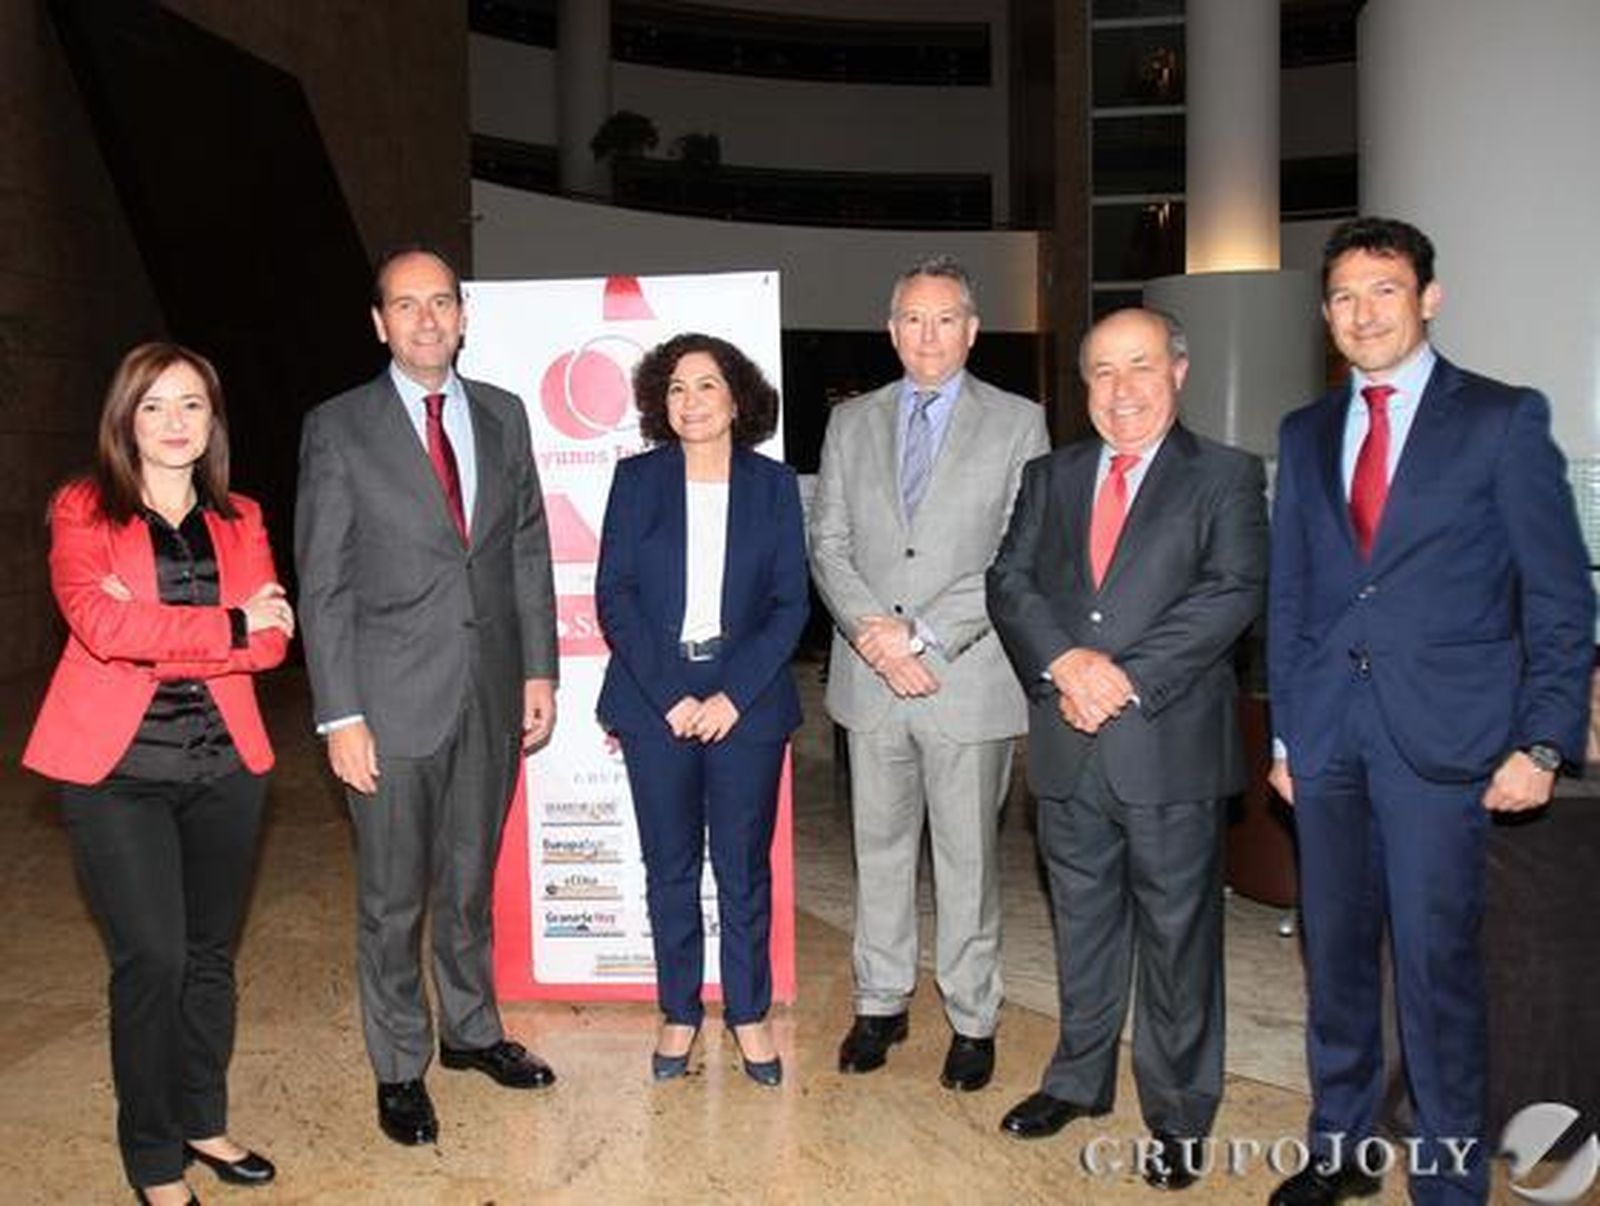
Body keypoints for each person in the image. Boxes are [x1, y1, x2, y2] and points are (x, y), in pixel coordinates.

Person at [1265, 218, 1594, 1206]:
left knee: (1437, 969)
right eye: (1344, 297)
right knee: (1336, 959)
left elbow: (1556, 596)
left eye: (1383, 290)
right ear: (1325, 315)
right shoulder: (1304, 430)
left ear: (1427, 299)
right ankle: (1342, 1147)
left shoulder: (1499, 419)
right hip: (1326, 741)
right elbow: (1293, 595)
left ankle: (1447, 1180)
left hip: (1445, 745)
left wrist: (1541, 738)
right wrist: (1287, 733)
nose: (1362, 313)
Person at [986, 307, 1267, 1189]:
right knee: (1083, 925)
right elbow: (1010, 579)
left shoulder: (1225, 474)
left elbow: (1231, 592)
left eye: (1139, 366)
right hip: (1069, 746)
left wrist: (1122, 675)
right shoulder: (1051, 474)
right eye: (1101, 372)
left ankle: (1180, 1113)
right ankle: (1078, 1077)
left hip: (1168, 746)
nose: (1120, 390)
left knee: (1180, 938)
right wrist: (1068, 662)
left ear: (1178, 371)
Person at [295, 246, 560, 1147]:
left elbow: (525, 548)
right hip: (390, 702)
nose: (425, 319)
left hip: (489, 691)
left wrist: (538, 670)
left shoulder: (503, 415)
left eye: (440, 302)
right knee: (391, 900)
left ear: (463, 314)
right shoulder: (338, 427)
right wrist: (340, 713)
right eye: (405, 306)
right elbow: (322, 582)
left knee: (467, 882)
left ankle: (472, 1032)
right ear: (379, 323)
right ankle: (400, 1066)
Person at [24, 342, 293, 1205]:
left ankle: (200, 1118)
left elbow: (278, 641)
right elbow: (100, 625)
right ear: (125, 419)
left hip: (226, 765)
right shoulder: (82, 507)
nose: (176, 422)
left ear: (213, 421)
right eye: (155, 406)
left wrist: (165, 624)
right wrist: (228, 625)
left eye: (192, 405)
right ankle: (150, 1156)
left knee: (210, 956)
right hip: (117, 773)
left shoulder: (241, 516)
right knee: (154, 958)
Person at [809, 254, 1049, 1091]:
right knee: (876, 852)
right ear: (891, 328)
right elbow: (828, 543)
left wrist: (925, 639)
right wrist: (877, 637)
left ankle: (973, 1018)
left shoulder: (1020, 422)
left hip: (966, 680)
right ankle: (880, 1004)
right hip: (870, 681)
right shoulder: (852, 421)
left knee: (968, 862)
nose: (928, 334)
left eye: (945, 319)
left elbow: (1015, 553)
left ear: (973, 330)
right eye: (913, 318)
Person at [595, 333, 809, 1087]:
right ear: (661, 401)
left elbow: (791, 605)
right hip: (656, 698)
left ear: (737, 398)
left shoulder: (775, 485)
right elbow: (614, 597)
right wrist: (673, 696)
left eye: (707, 386)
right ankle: (678, 1011)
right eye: (677, 388)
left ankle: (748, 1014)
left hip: (746, 701)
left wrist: (729, 695)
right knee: (670, 868)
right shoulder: (636, 480)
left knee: (743, 870)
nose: (690, 401)